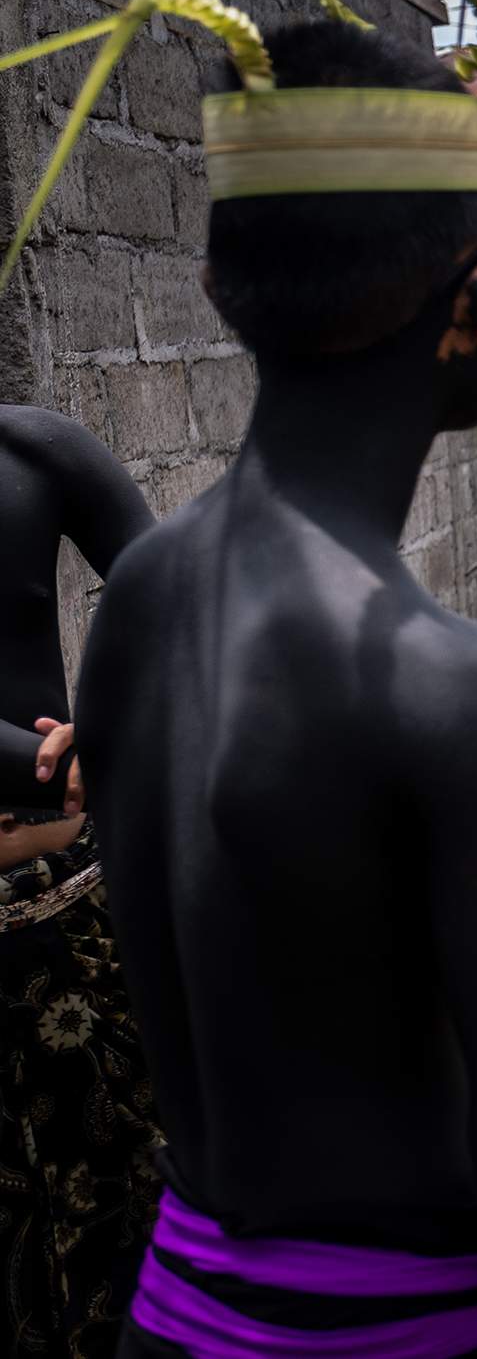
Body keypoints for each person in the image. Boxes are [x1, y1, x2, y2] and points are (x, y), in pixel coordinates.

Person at [72, 24, 477, 1356]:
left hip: (180, 1306)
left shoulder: (142, 597)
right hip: (400, 1328)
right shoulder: (455, 690)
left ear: (219, 285)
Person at [0, 407, 157, 1359]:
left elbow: (181, 601)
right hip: (59, 826)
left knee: (121, 1208)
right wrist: (53, 762)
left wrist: (117, 717)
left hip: (72, 917)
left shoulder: (38, 447)